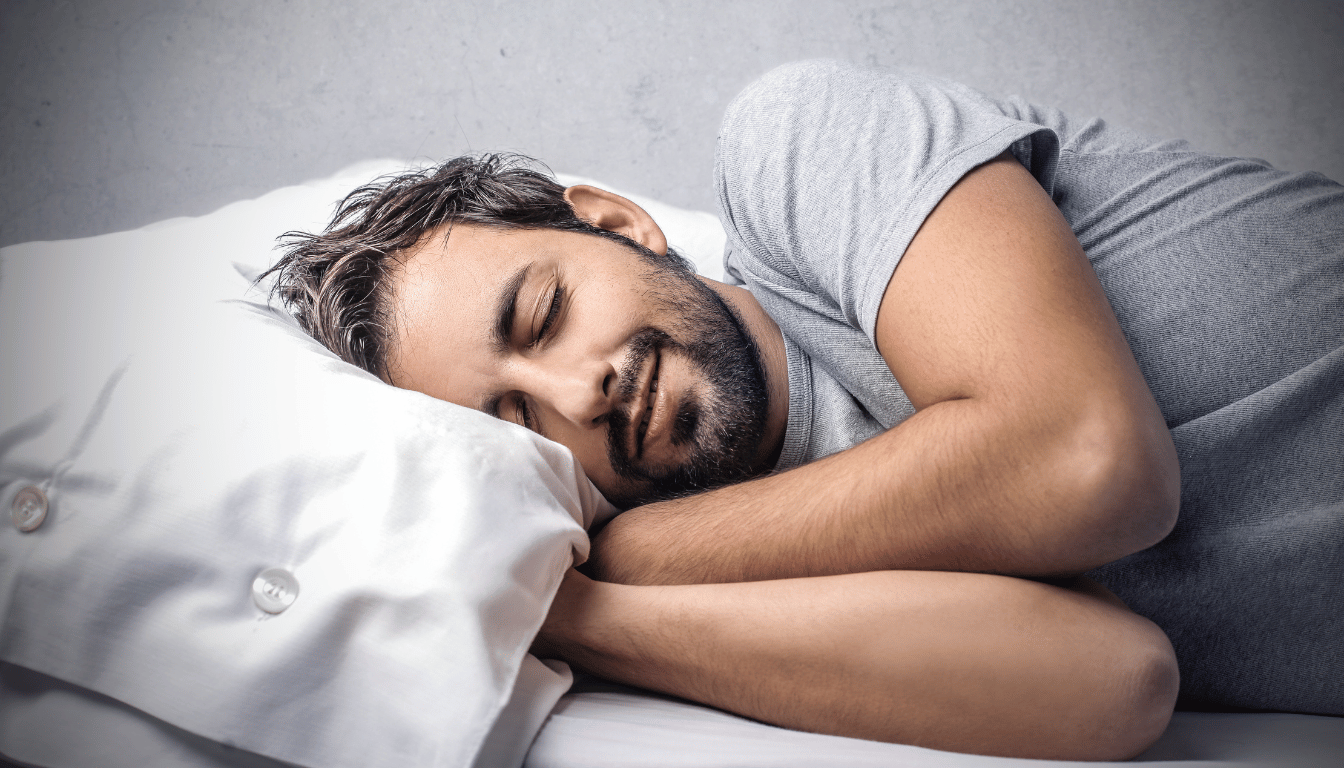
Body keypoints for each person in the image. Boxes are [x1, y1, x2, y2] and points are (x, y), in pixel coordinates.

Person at [264, 60, 1343, 759]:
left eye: (544, 315)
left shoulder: (798, 148)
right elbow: (1114, 684)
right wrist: (576, 615)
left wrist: (631, 557)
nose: (573, 393)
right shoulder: (765, 567)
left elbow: (1089, 464)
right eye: (516, 423)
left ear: (619, 224)